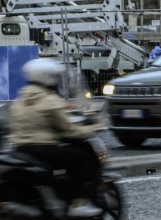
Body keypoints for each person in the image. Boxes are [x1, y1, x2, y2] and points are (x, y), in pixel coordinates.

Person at [9, 58, 102, 218]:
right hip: (43, 148)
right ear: (49, 77)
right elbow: (70, 130)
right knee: (79, 158)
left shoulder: (20, 99)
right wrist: (92, 129)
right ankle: (78, 202)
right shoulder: (51, 100)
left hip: (19, 148)